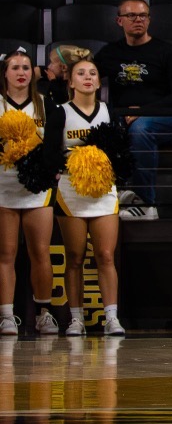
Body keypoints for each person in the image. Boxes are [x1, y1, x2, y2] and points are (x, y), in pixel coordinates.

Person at [97, 0, 172, 221]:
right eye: (131, 16)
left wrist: (145, 110)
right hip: (122, 118)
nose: (138, 20)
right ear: (119, 21)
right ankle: (110, 197)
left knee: (140, 128)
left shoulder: (166, 52)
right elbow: (85, 73)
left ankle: (147, 203)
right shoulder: (110, 53)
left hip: (165, 118)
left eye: (143, 15)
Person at [50, 57, 124, 336]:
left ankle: (112, 317)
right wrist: (75, 162)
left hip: (104, 190)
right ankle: (76, 318)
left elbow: (121, 151)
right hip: (72, 190)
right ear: (71, 82)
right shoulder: (61, 112)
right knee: (75, 257)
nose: (88, 77)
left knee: (106, 255)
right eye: (81, 73)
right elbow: (50, 153)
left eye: (92, 73)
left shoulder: (108, 111)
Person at [0, 49, 57, 336]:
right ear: (5, 73)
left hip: (37, 189)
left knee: (40, 251)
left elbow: (54, 145)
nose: (21, 72)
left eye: (25, 67)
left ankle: (44, 313)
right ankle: (7, 315)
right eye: (15, 68)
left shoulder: (45, 104)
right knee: (6, 253)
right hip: (3, 187)